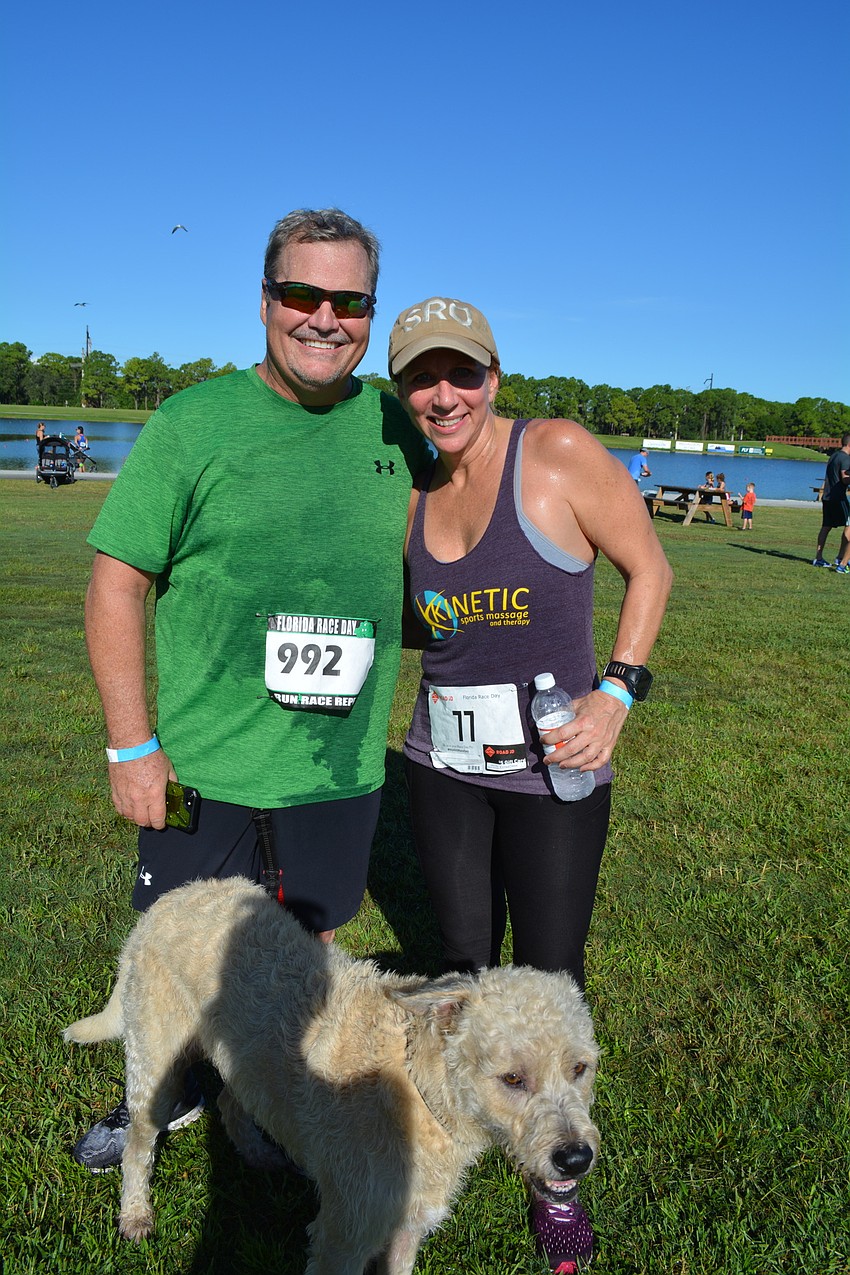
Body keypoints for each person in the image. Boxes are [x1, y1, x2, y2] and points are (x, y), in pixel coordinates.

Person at [71, 208, 428, 1173]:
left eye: (349, 301)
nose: (324, 318)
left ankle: (264, 1100)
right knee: (179, 960)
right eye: (302, 293)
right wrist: (131, 745)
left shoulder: (395, 426)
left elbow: (456, 526)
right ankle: (166, 1090)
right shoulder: (194, 423)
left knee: (302, 958)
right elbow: (117, 581)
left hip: (334, 771)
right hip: (207, 765)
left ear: (371, 312)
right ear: (265, 300)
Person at [388, 296, 673, 1271]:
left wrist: (616, 693)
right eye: (423, 377)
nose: (445, 394)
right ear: (403, 391)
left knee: (551, 977)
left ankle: (558, 1177)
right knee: (464, 967)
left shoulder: (553, 453)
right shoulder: (413, 492)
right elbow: (423, 624)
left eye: (462, 372)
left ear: (493, 376)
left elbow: (648, 568)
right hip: (443, 765)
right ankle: (459, 1134)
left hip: (556, 771)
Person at [812, 433, 850, 572]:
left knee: (826, 527)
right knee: (848, 526)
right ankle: (842, 560)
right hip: (838, 498)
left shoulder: (834, 456)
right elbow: (845, 479)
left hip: (827, 496)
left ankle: (819, 558)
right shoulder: (845, 458)